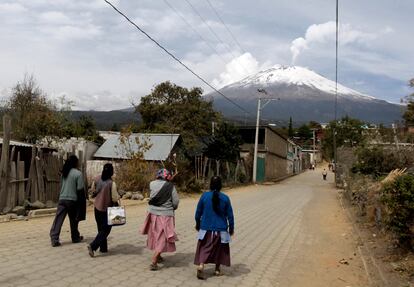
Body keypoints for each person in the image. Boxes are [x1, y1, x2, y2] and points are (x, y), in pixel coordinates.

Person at [194, 176, 234, 280]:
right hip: (221, 230)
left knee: (204, 247)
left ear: (210, 185)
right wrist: (231, 228)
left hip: (206, 229)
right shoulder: (225, 198)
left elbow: (198, 212)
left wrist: (198, 223)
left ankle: (201, 265)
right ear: (221, 185)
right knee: (219, 250)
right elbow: (230, 215)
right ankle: (217, 269)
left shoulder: (204, 196)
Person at [141, 168, 179, 271]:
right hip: (165, 215)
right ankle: (154, 260)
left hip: (153, 214)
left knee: (156, 234)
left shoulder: (152, 184)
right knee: (164, 236)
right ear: (166, 176)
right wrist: (172, 208)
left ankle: (159, 255)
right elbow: (175, 202)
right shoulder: (171, 187)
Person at [50, 155, 86, 247]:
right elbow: (80, 190)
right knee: (74, 220)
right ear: (75, 163)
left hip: (62, 199)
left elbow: (61, 186)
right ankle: (75, 237)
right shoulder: (78, 174)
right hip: (72, 200)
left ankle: (54, 238)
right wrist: (81, 205)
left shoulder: (64, 173)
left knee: (58, 219)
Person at [87, 163, 120, 257]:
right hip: (107, 209)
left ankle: (103, 248)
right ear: (111, 171)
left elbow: (92, 191)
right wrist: (118, 196)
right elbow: (114, 198)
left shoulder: (96, 178)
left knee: (100, 229)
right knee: (106, 230)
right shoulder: (111, 183)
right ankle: (93, 246)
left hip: (97, 208)